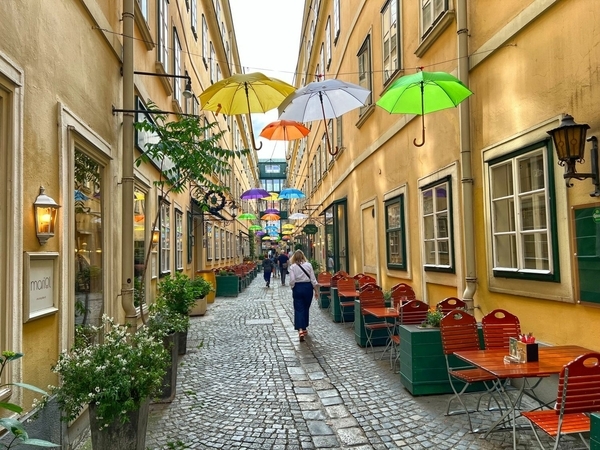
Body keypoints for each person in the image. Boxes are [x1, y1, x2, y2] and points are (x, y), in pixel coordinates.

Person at [288, 250, 319, 341]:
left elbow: (292, 280)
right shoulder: (308, 265)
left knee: (298, 308)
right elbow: (313, 279)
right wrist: (316, 291)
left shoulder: (293, 267)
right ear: (303, 256)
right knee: (306, 307)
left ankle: (300, 329)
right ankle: (304, 327)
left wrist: (293, 287)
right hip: (307, 288)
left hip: (298, 287)